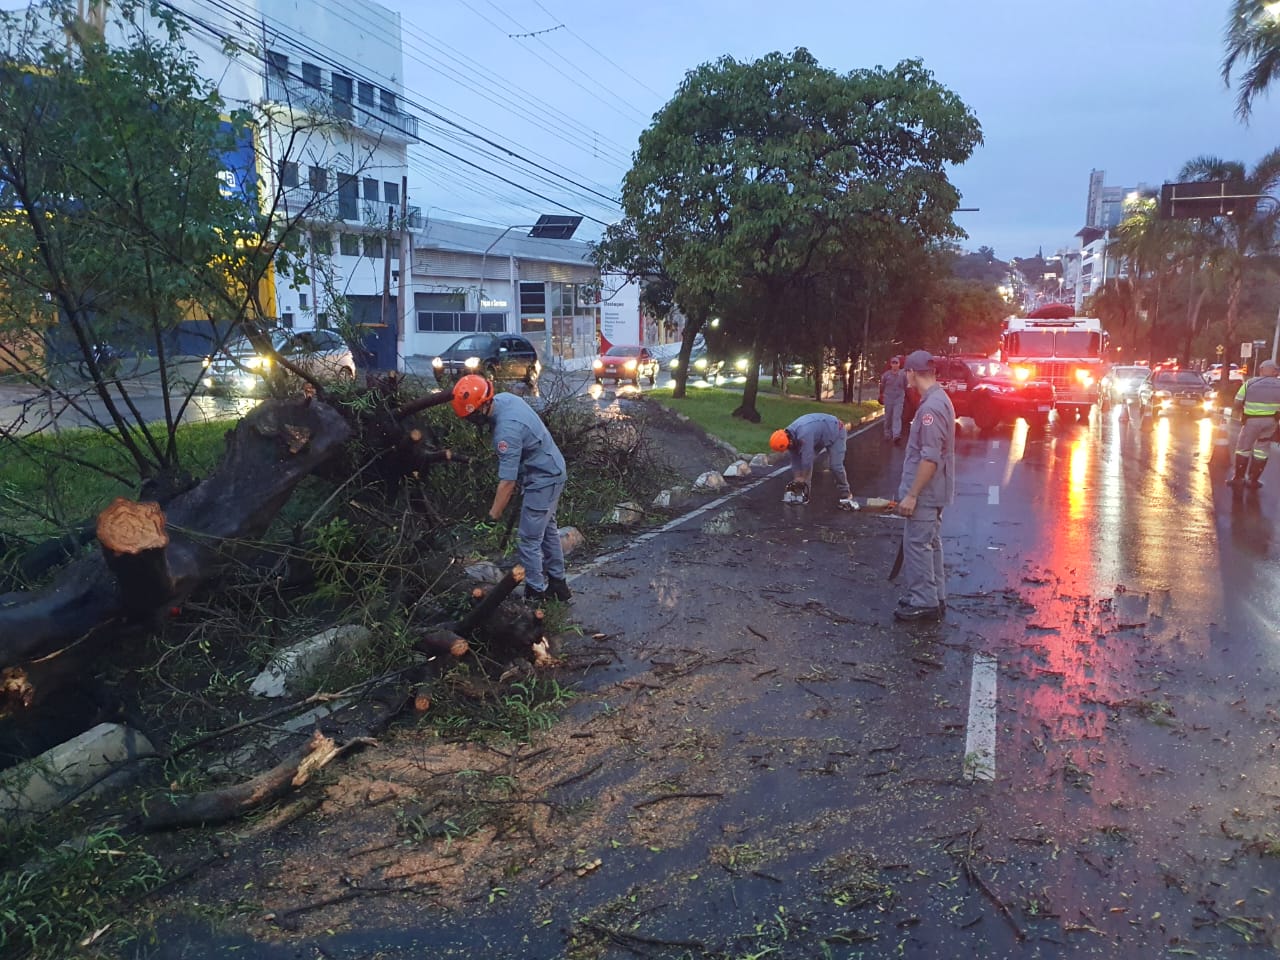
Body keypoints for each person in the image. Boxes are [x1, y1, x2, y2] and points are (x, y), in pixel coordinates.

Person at [451, 374, 571, 603]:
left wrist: (492, 517)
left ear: (483, 405)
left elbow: (507, 482)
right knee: (547, 530)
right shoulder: (505, 399)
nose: (472, 421)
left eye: (472, 416)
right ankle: (558, 584)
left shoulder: (506, 432)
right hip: (550, 468)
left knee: (528, 539)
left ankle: (535, 593)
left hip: (544, 477)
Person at [894, 350, 956, 623]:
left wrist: (912, 495)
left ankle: (924, 601)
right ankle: (935, 596)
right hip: (935, 490)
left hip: (926, 493)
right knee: (930, 542)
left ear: (911, 372)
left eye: (905, 372)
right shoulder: (939, 399)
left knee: (917, 545)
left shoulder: (930, 408)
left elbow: (930, 458)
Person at [769, 413, 856, 509]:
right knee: (801, 468)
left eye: (787, 447)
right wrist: (797, 478)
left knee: (835, 466)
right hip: (819, 436)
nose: (787, 449)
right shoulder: (787, 437)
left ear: (789, 441)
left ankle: (846, 494)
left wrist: (803, 479)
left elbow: (807, 461)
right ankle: (804, 495)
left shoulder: (804, 434)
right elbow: (795, 459)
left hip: (836, 431)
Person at [1229, 359, 1280, 488]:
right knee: (1262, 450)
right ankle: (1253, 480)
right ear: (1275, 371)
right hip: (1271, 422)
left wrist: (1239, 413)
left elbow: (1237, 402)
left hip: (1251, 421)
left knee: (1243, 448)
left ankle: (1239, 478)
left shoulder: (1250, 383)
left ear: (1261, 370)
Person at [879, 357, 907, 443]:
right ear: (891, 364)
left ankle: (896, 435)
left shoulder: (903, 375)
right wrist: (881, 394)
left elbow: (905, 385)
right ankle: (887, 433)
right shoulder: (886, 375)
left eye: (896, 363)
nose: (895, 365)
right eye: (893, 363)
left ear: (899, 364)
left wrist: (902, 394)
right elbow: (882, 385)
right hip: (888, 398)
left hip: (899, 398)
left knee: (897, 416)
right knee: (888, 416)